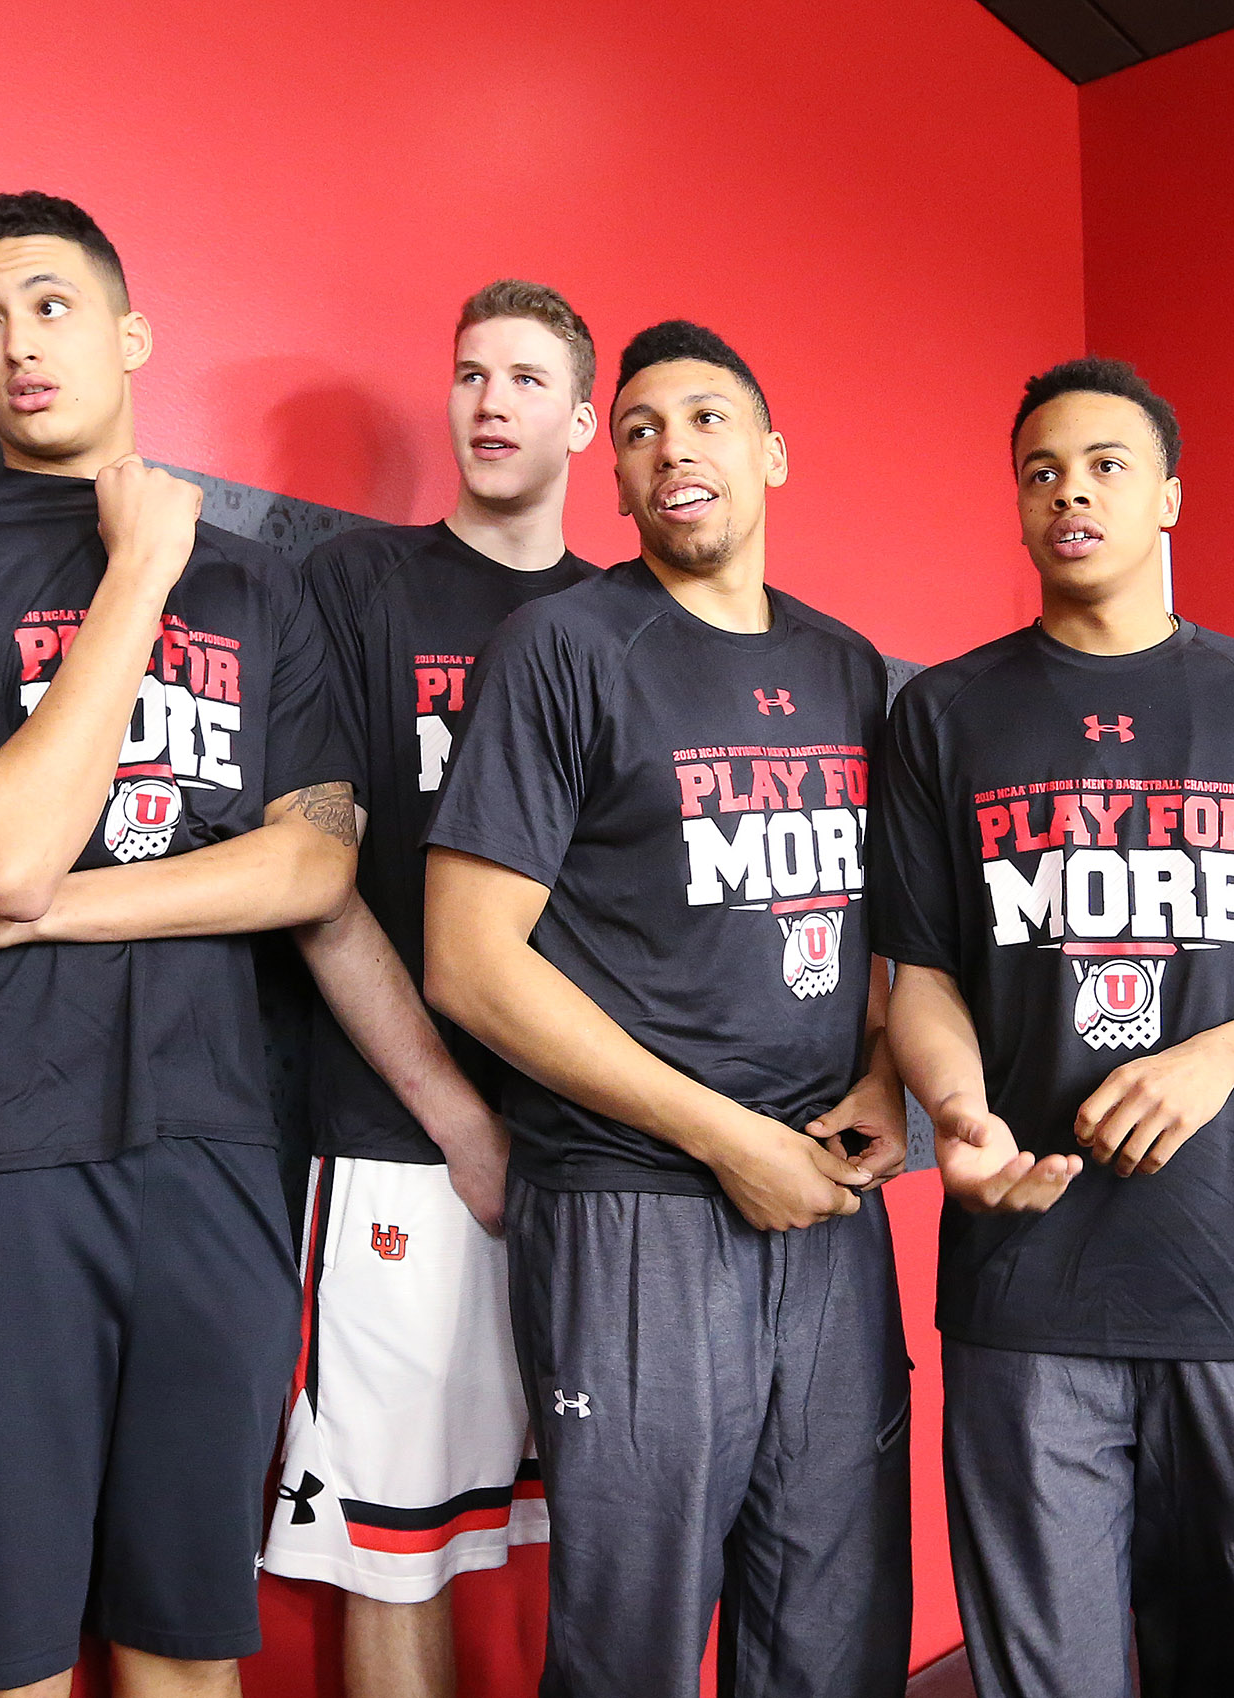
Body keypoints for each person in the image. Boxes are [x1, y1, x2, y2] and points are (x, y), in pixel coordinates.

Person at [0, 191, 358, 1698]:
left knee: (189, 1645)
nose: (12, 343)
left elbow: (313, 864)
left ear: (127, 332)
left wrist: (19, 906)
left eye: (49, 304)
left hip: (218, 1146)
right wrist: (133, 577)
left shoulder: (264, 586)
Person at [875, 357, 1234, 1698]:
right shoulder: (943, 715)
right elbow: (921, 976)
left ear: (1171, 495)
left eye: (1107, 464)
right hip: (1029, 1284)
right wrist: (957, 1110)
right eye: (1041, 469)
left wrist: (1219, 1051)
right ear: (1018, 506)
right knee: (1046, 1676)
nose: (1071, 488)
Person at [420, 321, 914, 1698]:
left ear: (769, 453)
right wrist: (720, 1136)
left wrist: (886, 1075)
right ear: (616, 480)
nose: (670, 445)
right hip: (634, 1206)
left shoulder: (851, 669)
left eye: (705, 418)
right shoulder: (563, 646)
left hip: (822, 1204)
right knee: (633, 1643)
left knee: (832, 1624)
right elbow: (470, 958)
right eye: (638, 429)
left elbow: (900, 929)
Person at [255, 281, 600, 1698]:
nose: (491, 401)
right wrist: (459, 1114)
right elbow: (317, 875)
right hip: (401, 1139)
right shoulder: (355, 587)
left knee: (612, 1515)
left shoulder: (628, 620)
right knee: (396, 1537)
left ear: (585, 420)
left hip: (603, 1145)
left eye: (526, 378)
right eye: (469, 374)